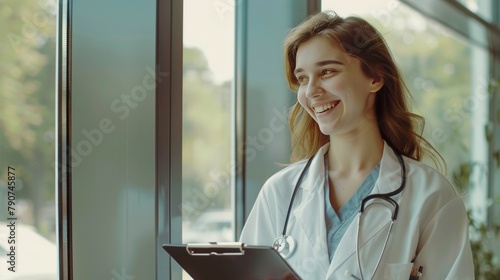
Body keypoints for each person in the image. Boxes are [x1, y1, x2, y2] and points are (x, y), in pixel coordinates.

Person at [239, 11, 474, 280]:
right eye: (303, 78)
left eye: (327, 72)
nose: (311, 91)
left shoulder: (431, 196)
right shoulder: (280, 192)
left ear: (375, 78)